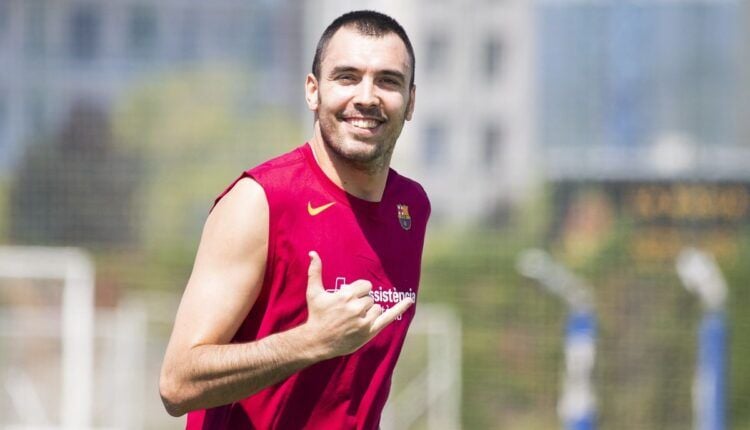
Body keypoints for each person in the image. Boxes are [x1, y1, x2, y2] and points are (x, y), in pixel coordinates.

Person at [159, 10, 430, 430]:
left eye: (388, 81)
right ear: (313, 91)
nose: (367, 97)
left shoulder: (411, 209)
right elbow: (177, 383)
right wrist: (310, 341)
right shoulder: (259, 200)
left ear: (410, 101)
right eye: (347, 77)